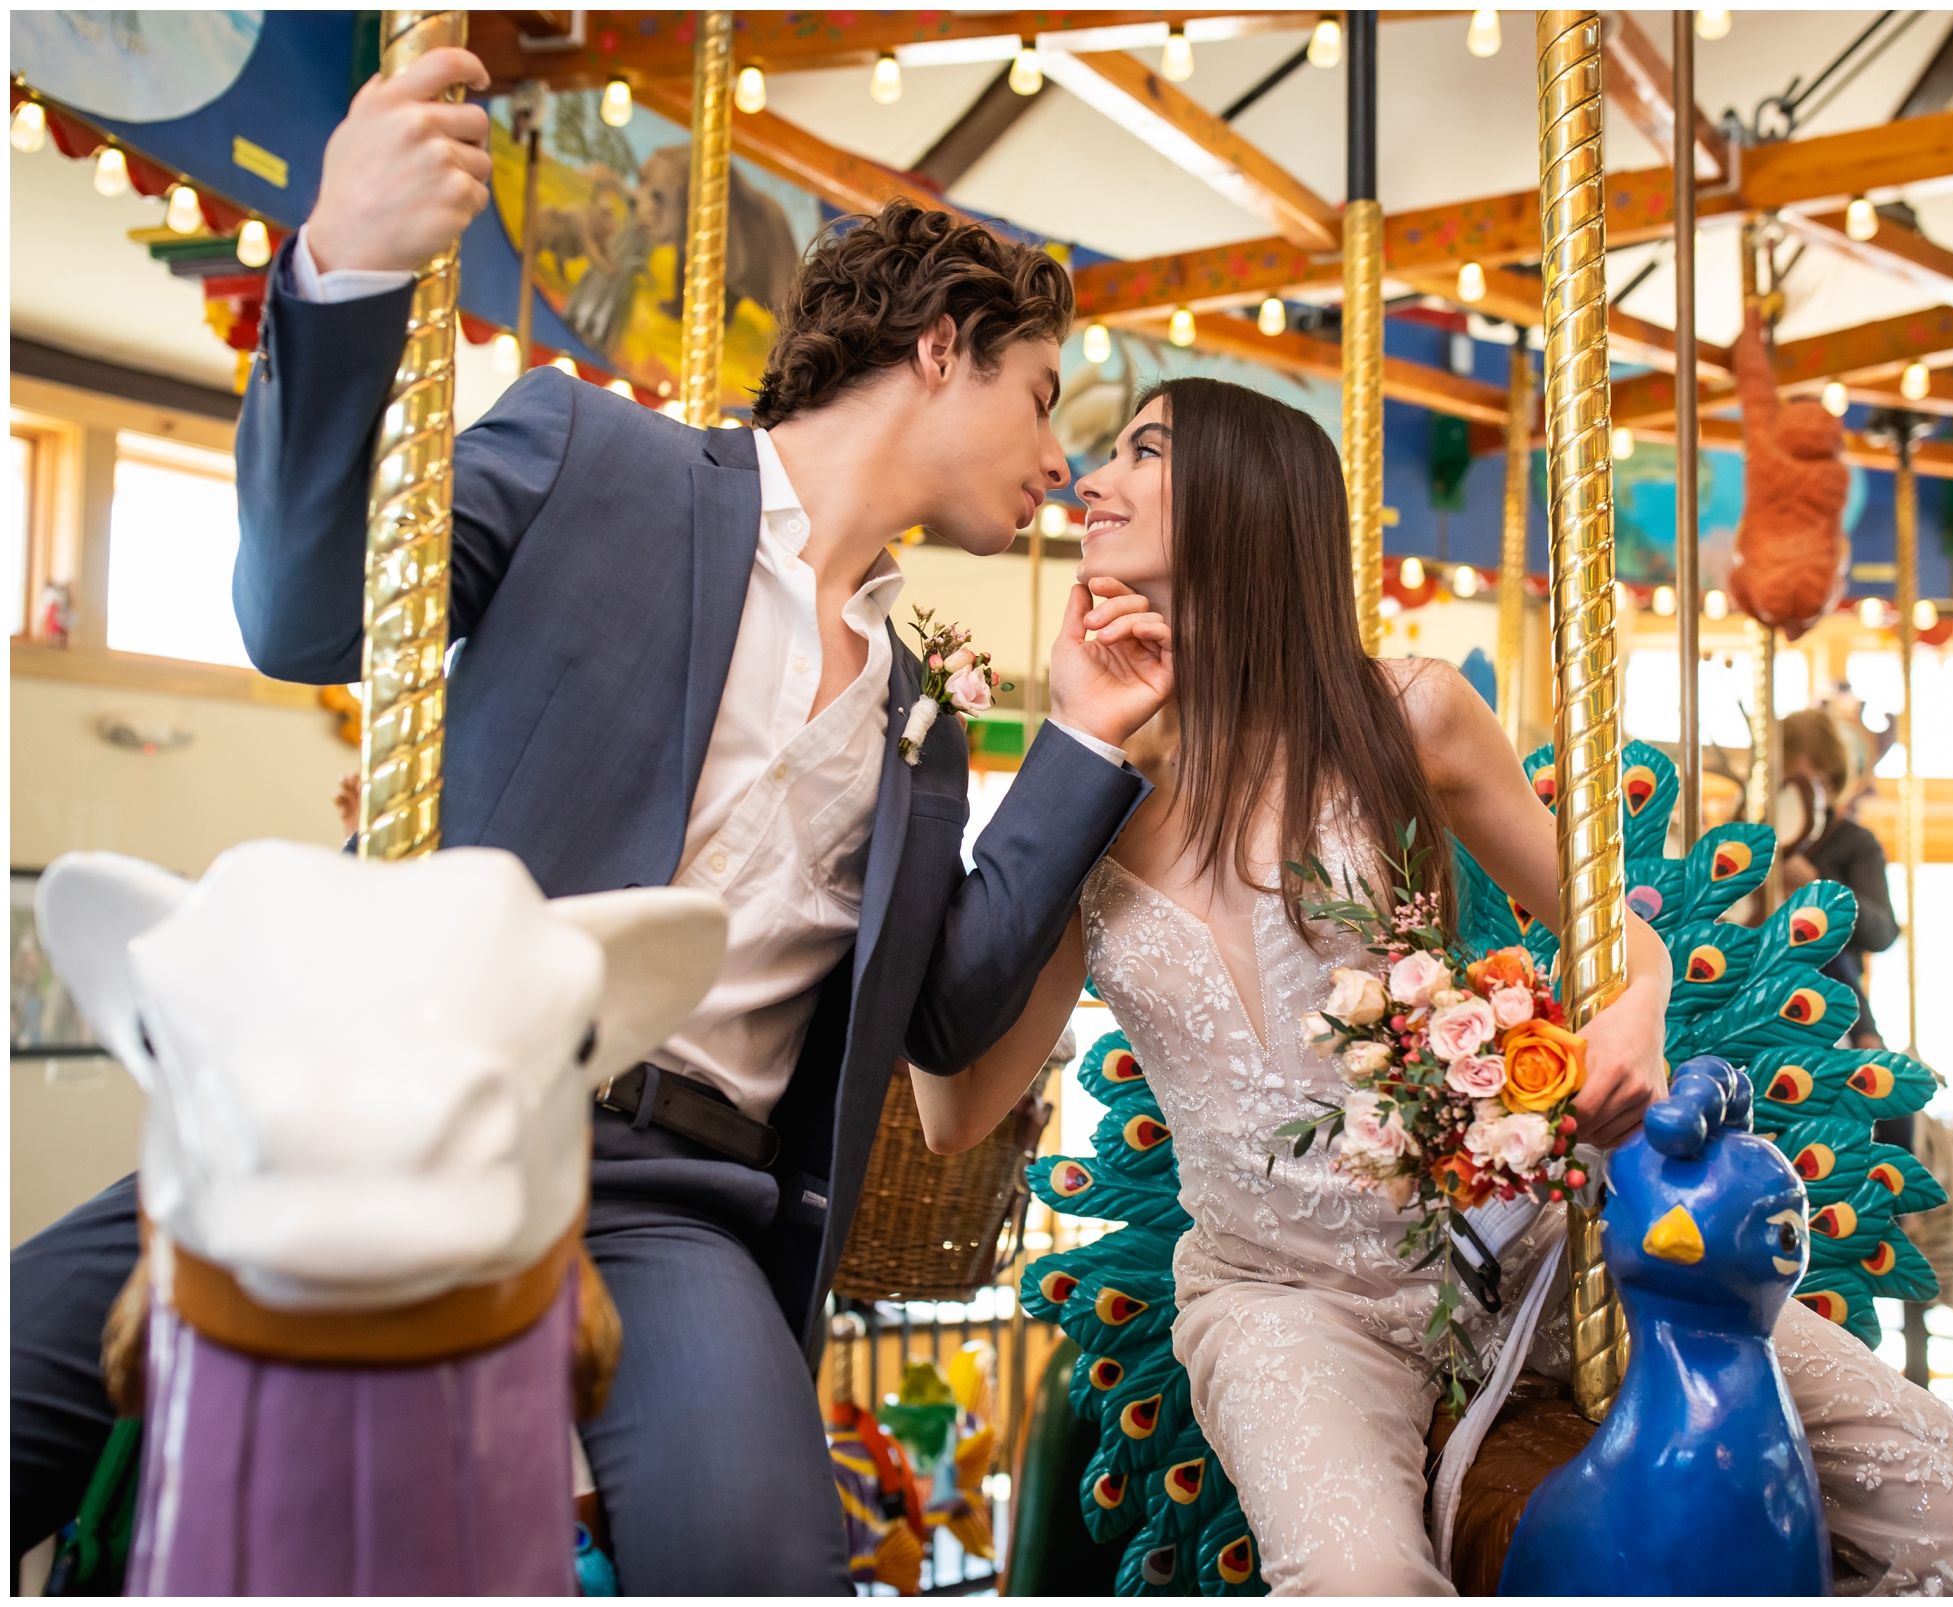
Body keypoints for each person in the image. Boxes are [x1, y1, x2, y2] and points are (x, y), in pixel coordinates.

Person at [10, 49, 1173, 1593]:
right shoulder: (591, 458)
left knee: (756, 1550)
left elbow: (949, 1012)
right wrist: (345, 266)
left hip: (672, 1199)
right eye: (1041, 398)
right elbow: (305, 616)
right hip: (387, 1098)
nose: (1060, 459)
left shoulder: (924, 721)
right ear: (943, 345)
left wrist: (1087, 741)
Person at [913, 380, 1953, 1595]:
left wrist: (1630, 1011)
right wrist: (953, 846)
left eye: (1141, 450)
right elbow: (955, 1109)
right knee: (1363, 1583)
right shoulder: (1087, 807)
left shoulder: (1404, 716)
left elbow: (1616, 930)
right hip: (1288, 1300)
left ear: (1252, 498)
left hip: (1525, 1244)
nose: (1091, 481)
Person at [1779, 707, 1899, 1051]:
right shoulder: (1756, 841)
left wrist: (1819, 886)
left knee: (1816, 937)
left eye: (1814, 784)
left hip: (1831, 1010)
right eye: (1791, 784)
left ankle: (1866, 1036)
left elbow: (1882, 933)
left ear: (1832, 782)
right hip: (1760, 997)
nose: (1802, 798)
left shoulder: (1854, 844)